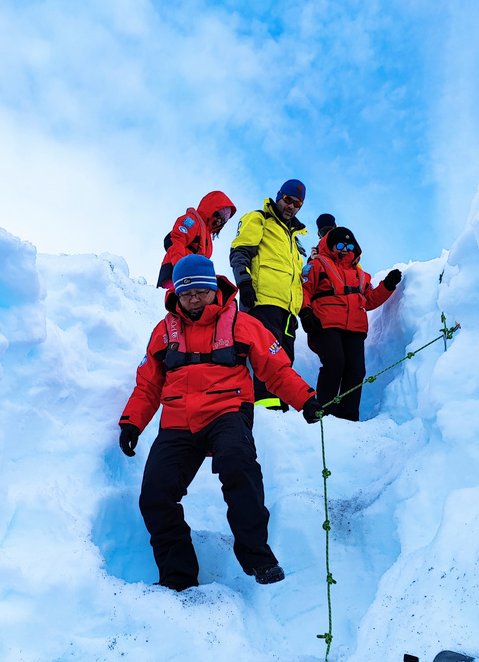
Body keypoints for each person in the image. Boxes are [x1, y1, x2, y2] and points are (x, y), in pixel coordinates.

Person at [119, 255, 321, 592]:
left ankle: (257, 556)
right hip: (178, 423)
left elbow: (276, 369)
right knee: (155, 494)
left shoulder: (242, 324)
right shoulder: (163, 331)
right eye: (186, 293)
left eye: (200, 291)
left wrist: (306, 399)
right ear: (176, 296)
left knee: (239, 465)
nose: (194, 299)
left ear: (214, 288)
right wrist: (132, 423)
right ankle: (178, 578)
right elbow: (148, 384)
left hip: (227, 411)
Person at [299, 226, 402, 421]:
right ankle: (325, 411)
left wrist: (387, 286)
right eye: (339, 245)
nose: (345, 249)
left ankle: (348, 417)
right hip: (325, 322)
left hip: (354, 326)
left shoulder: (361, 275)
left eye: (349, 245)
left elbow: (369, 300)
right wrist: (305, 312)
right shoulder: (317, 265)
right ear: (330, 246)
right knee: (335, 362)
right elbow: (304, 289)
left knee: (356, 370)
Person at [229, 179, 308, 410]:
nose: (291, 206)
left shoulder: (294, 238)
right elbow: (240, 251)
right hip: (263, 303)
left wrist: (301, 310)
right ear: (279, 196)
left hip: (288, 311)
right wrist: (244, 283)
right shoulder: (259, 219)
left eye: (297, 204)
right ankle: (266, 412)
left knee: (284, 362)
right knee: (266, 359)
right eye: (288, 200)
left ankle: (281, 410)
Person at [157, 190, 236, 289]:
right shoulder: (192, 220)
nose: (219, 221)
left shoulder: (207, 236)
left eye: (223, 220)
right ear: (210, 209)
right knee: (172, 300)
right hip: (175, 272)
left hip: (191, 277)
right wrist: (180, 266)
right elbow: (176, 240)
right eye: (218, 215)